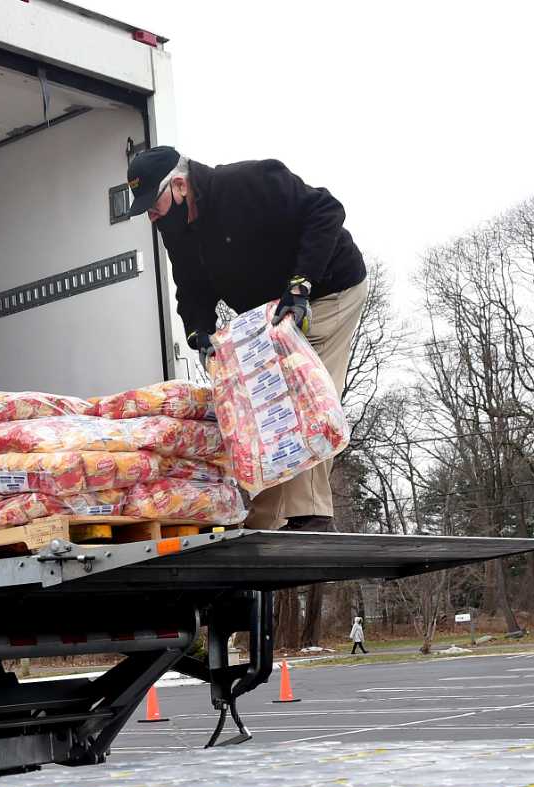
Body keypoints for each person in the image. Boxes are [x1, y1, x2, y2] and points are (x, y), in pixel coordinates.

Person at [119, 143, 368, 649]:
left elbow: (326, 209)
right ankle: (261, 518)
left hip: (329, 291)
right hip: (268, 311)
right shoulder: (173, 225)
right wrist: (199, 330)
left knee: (305, 398)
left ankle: (311, 516)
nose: (150, 215)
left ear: (180, 184)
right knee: (259, 409)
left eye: (154, 204)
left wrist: (300, 287)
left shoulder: (249, 183)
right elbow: (189, 284)